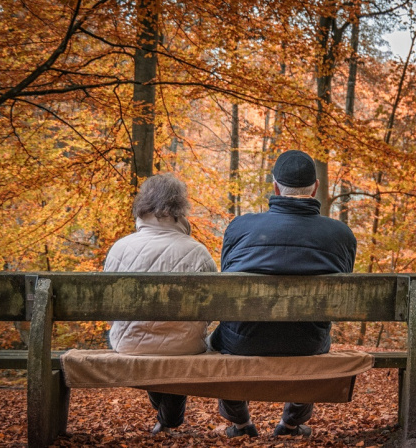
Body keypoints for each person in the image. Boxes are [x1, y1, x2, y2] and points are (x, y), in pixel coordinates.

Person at [209, 150, 357, 439]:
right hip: (307, 343)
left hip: (243, 341)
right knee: (312, 332)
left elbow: (228, 280)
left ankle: (241, 424)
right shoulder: (341, 235)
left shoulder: (240, 227)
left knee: (222, 337)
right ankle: (290, 425)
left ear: (275, 187)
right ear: (315, 188)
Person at [104, 174, 217, 435]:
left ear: (142, 206)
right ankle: (170, 419)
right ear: (180, 208)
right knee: (176, 347)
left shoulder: (119, 248)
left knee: (154, 348)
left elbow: (110, 309)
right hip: (186, 345)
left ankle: (168, 420)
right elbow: (211, 310)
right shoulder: (197, 251)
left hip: (129, 343)